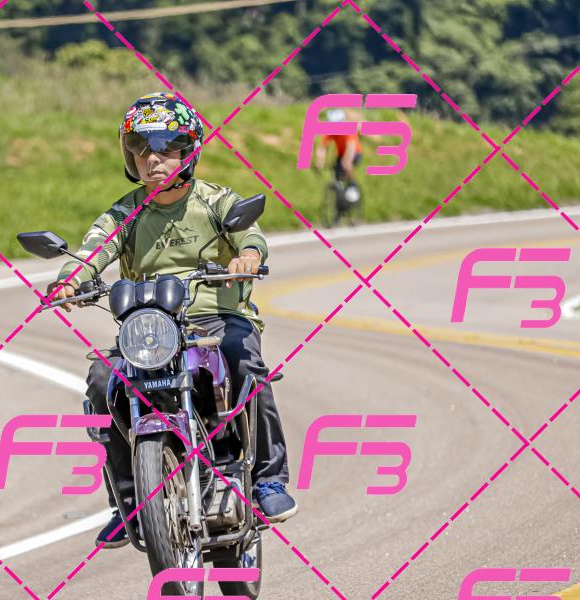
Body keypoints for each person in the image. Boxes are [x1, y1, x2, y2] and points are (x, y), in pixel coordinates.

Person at [45, 92, 297, 549]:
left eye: (165, 146)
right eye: (140, 147)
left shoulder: (216, 201)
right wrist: (68, 280)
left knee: (244, 361)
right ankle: (127, 502)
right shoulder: (125, 213)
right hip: (150, 330)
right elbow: (91, 250)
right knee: (102, 379)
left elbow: (250, 233)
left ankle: (268, 481)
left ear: (189, 151)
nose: (152, 159)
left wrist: (247, 255)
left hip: (216, 320)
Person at [313, 108, 363, 184]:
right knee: (336, 171)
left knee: (346, 166)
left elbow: (351, 147)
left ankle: (352, 184)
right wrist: (319, 161)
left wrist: (346, 161)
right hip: (341, 153)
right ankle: (339, 185)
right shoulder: (331, 131)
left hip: (355, 152)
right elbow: (322, 147)